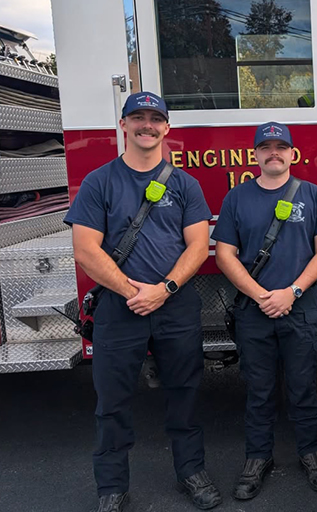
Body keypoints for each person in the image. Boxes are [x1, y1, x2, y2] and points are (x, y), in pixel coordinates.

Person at [65, 91, 221, 512]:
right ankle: (111, 489)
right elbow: (85, 249)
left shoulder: (185, 183)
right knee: (111, 401)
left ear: (167, 128)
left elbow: (197, 245)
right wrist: (133, 292)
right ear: (123, 126)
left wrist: (164, 289)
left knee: (184, 393)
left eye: (155, 118)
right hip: (120, 308)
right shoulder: (100, 181)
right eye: (138, 117)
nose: (147, 125)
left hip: (175, 306)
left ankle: (191, 472)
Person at [212, 121, 317, 500]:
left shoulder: (313, 195)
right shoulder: (237, 198)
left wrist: (292, 292)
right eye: (265, 147)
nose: (274, 152)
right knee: (259, 390)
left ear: (292, 154)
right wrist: (262, 295)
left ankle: (311, 453)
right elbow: (224, 255)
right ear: (255, 156)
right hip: (254, 311)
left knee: (303, 387)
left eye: (280, 146)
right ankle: (257, 458)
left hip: (301, 309)